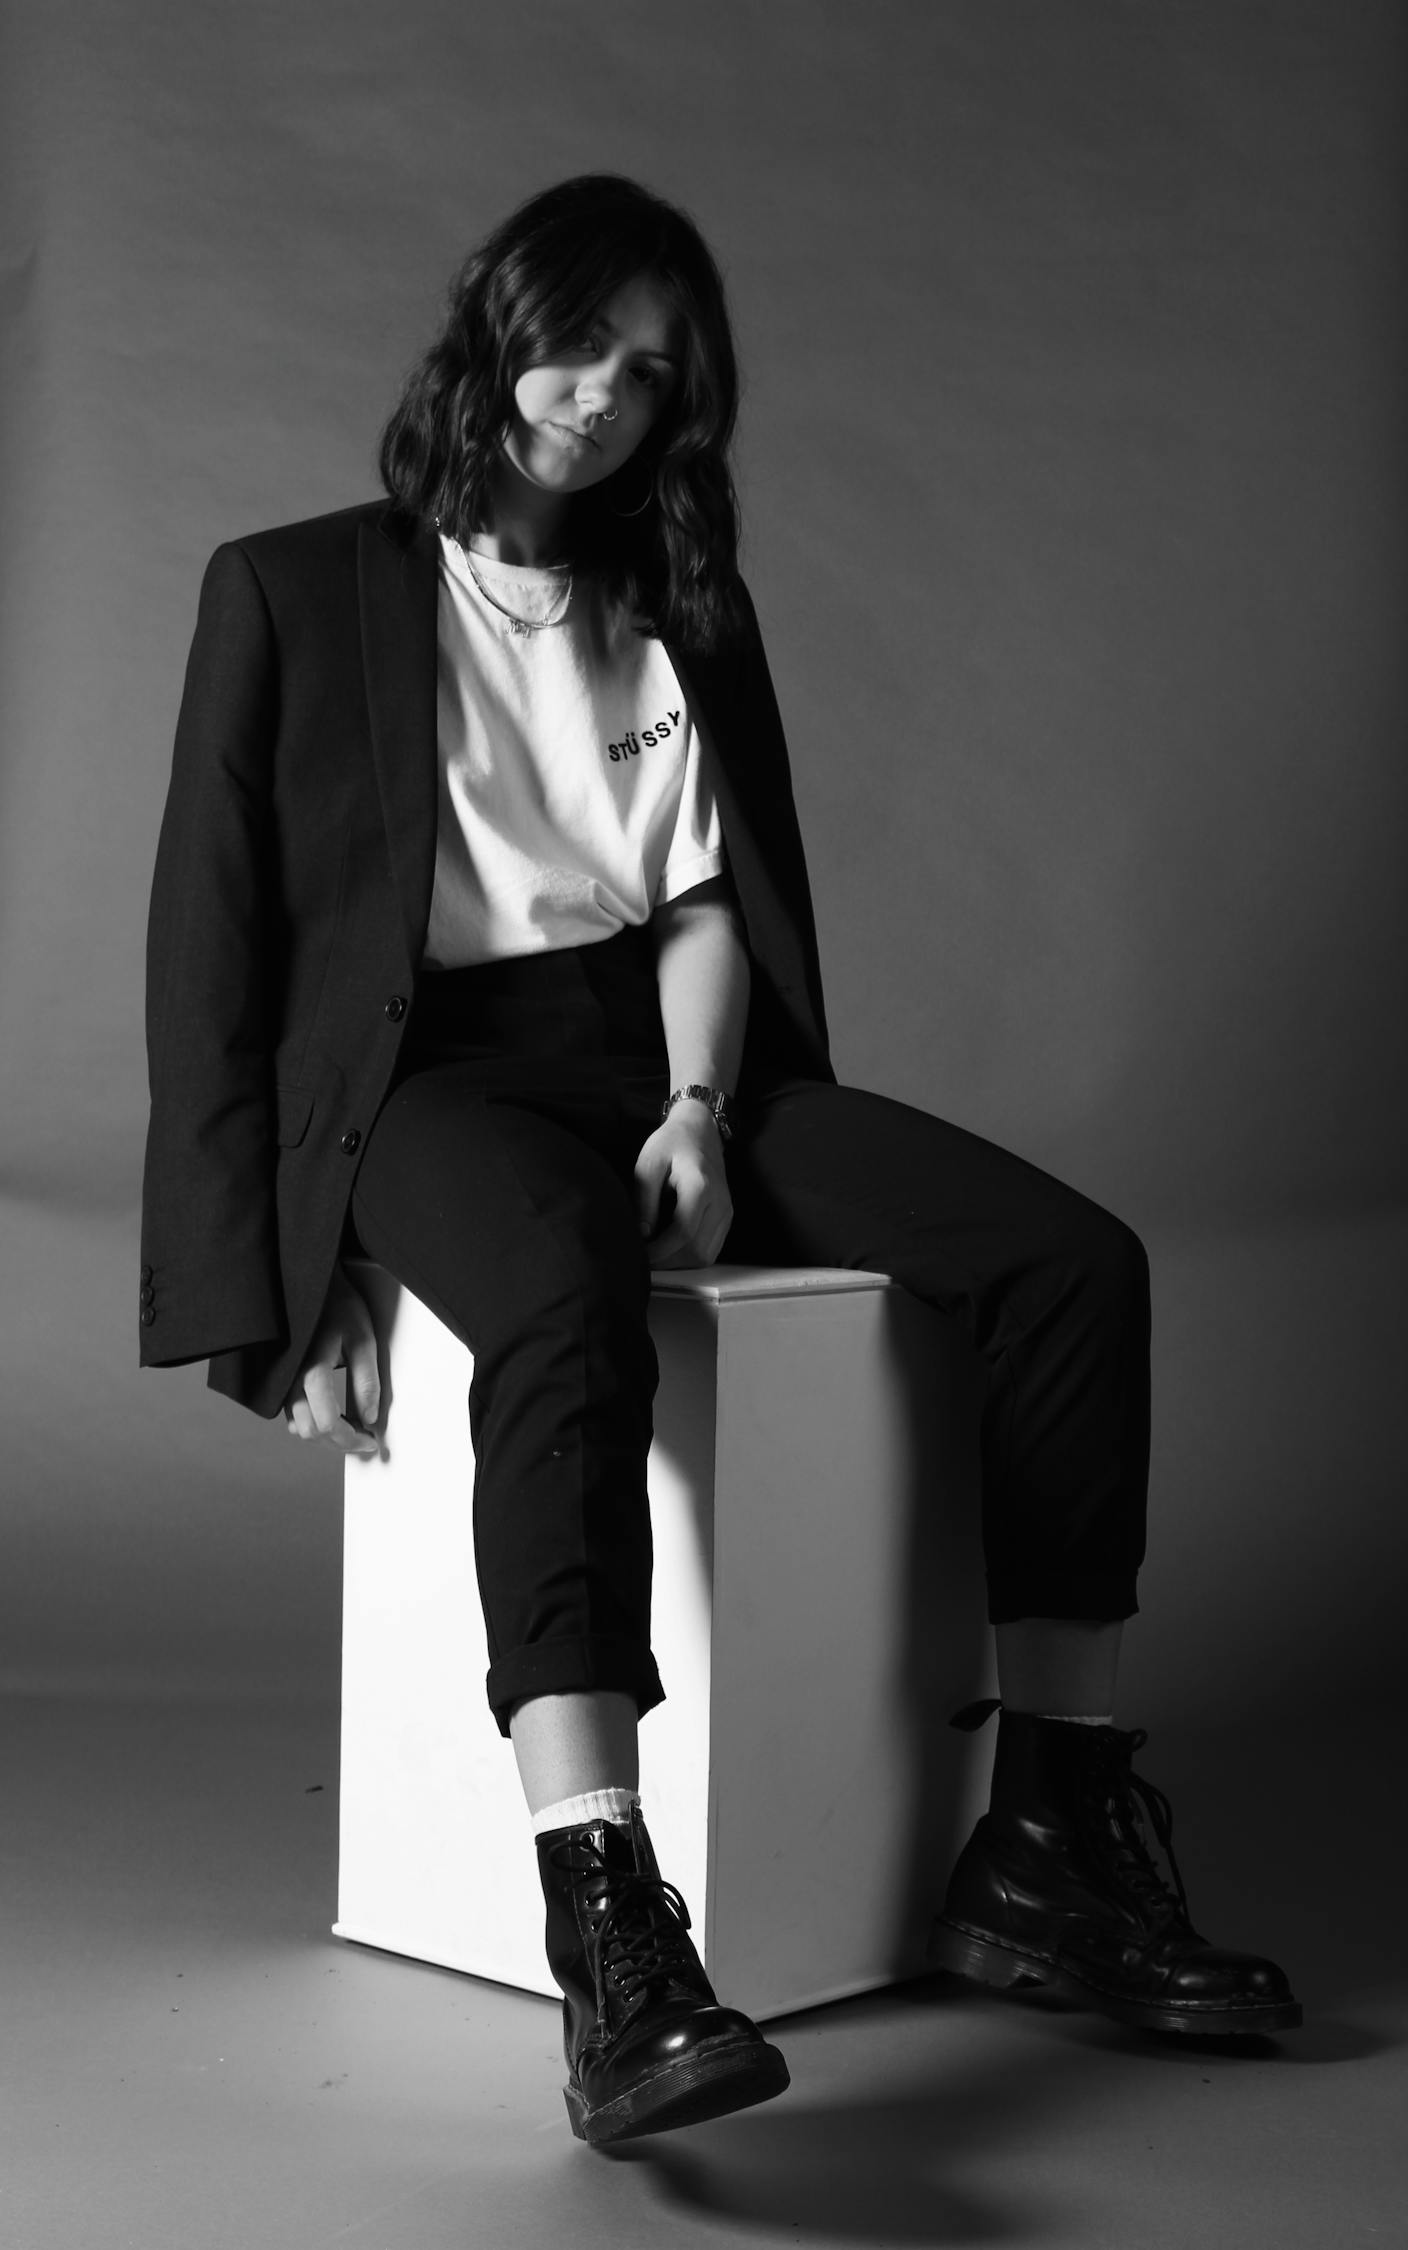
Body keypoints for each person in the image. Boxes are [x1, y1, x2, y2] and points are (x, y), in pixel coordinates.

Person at [140, 173, 1300, 2149]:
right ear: (495, 326)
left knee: (1069, 1265)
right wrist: (281, 1273)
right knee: (565, 1287)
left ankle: (1050, 1837)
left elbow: (703, 905)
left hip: (668, 1058)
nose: (603, 394)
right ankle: (608, 1923)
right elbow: (210, 954)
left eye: (653, 372)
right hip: (432, 1081)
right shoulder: (293, 589)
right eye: (576, 343)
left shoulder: (679, 602)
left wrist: (693, 1108)